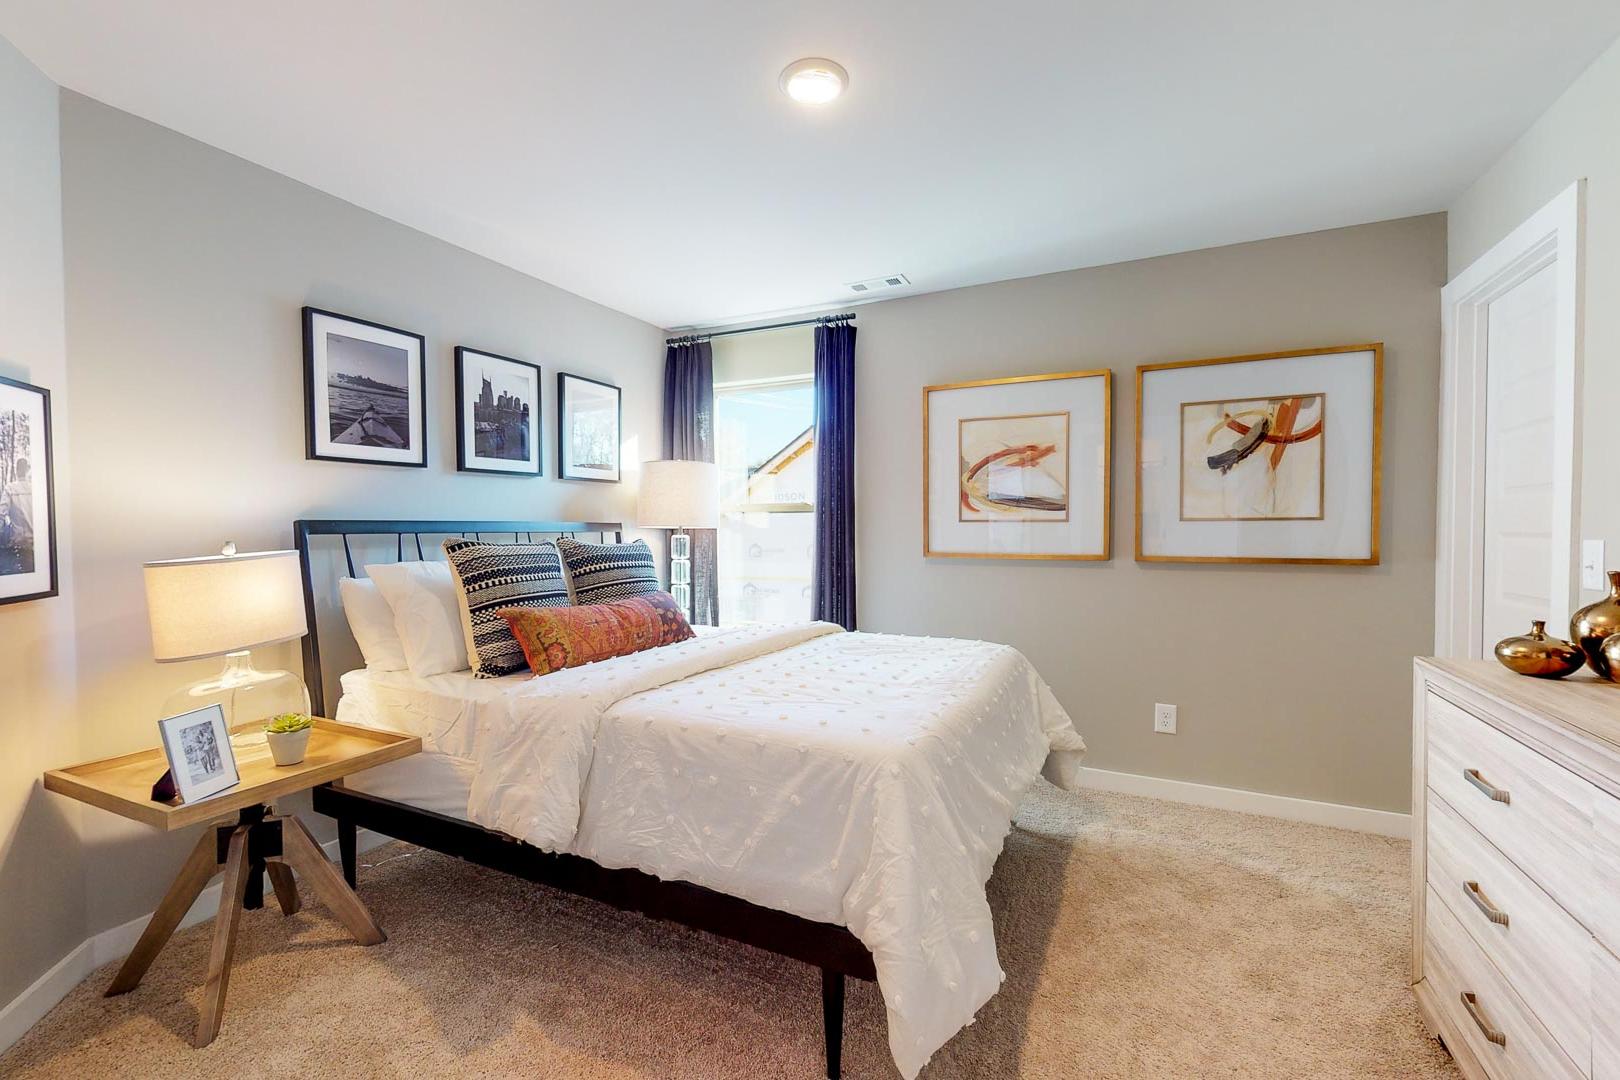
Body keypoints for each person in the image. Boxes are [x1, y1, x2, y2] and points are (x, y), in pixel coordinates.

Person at [1, 456, 34, 558]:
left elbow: (1, 514)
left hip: (17, 544)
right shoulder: (35, 488)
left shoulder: (10, 488)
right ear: (27, 470)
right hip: (35, 544)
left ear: (16, 470)